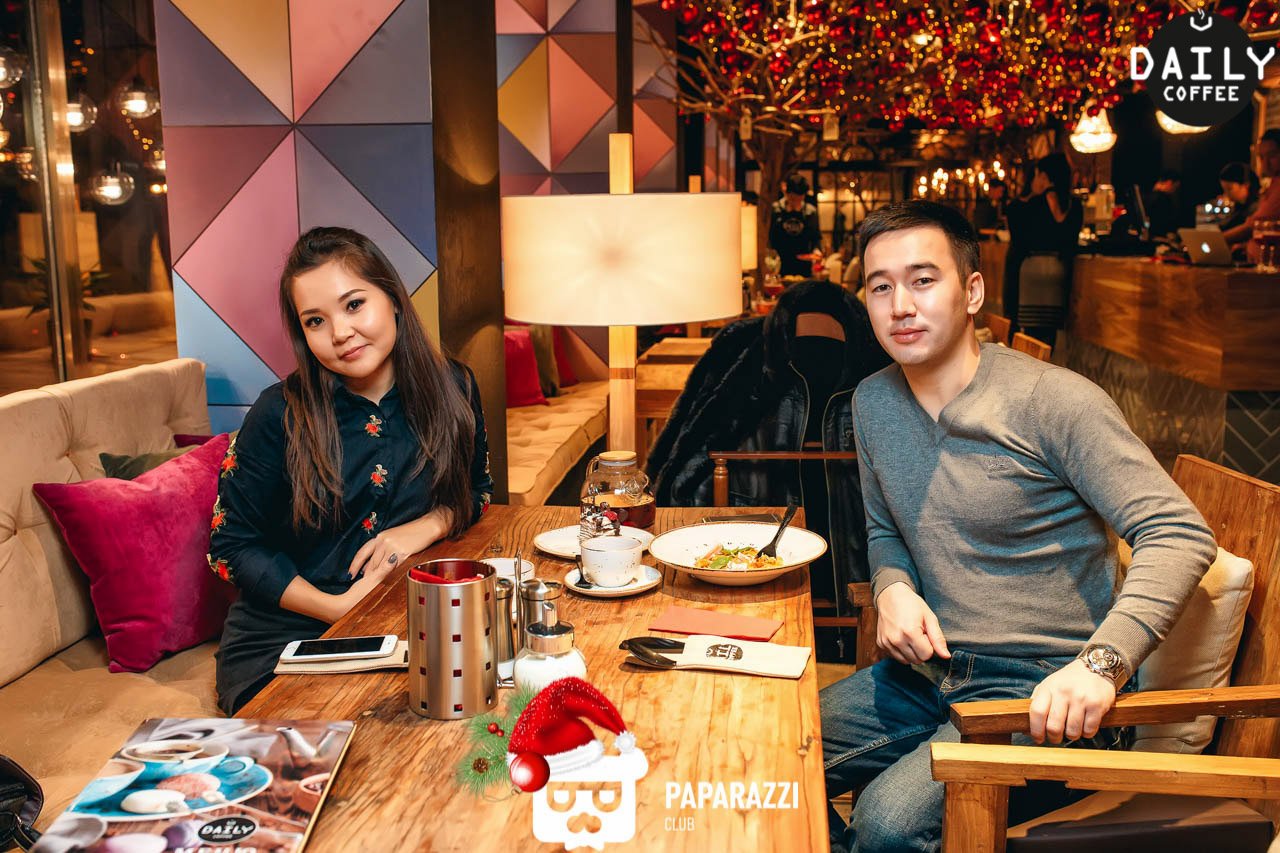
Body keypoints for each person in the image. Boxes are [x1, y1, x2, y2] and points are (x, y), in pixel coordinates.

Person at [822, 200, 1216, 853]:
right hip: (929, 673)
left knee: (887, 824)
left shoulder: (1054, 401)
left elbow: (1178, 532)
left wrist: (1101, 665)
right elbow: (885, 526)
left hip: (1047, 688)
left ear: (973, 291)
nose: (901, 306)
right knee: (768, 753)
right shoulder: (872, 402)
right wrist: (892, 588)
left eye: (924, 280)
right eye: (880, 287)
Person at [210, 227, 493, 714]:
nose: (340, 333)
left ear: (394, 299)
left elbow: (477, 491)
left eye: (354, 305)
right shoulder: (277, 414)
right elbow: (230, 547)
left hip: (410, 623)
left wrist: (425, 525)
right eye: (316, 321)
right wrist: (338, 608)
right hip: (288, 641)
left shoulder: (455, 387)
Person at [646, 280, 890, 661]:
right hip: (756, 594)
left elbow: (683, 462)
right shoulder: (742, 359)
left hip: (851, 603)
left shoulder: (884, 370)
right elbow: (687, 457)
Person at [1003, 152, 1083, 347]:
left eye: (1037, 175)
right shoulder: (1075, 205)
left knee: (1032, 336)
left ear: (1045, 177)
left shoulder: (1032, 205)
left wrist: (1028, 195)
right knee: (1049, 336)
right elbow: (1071, 243)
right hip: (1060, 275)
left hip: (1032, 273)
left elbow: (1017, 231)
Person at [1224, 129, 1280, 260]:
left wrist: (1214, 241)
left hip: (1269, 270)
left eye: (1272, 155)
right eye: (1261, 157)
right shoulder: (1273, 184)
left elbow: (1253, 227)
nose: (1265, 164)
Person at [769, 175, 822, 277]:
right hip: (780, 265)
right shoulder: (776, 210)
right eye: (793, 199)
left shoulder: (810, 212)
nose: (796, 203)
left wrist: (817, 251)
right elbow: (770, 238)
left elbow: (816, 238)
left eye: (799, 199)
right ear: (786, 193)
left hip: (804, 266)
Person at [1218, 162, 1261, 238]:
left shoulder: (1256, 209)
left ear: (1246, 185)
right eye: (1224, 190)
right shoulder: (1239, 208)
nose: (1226, 194)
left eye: (1229, 189)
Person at [1145, 169, 1183, 238]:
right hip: (1160, 238)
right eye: (1175, 187)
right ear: (1169, 183)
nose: (1174, 191)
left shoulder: (1147, 196)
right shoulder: (1163, 199)